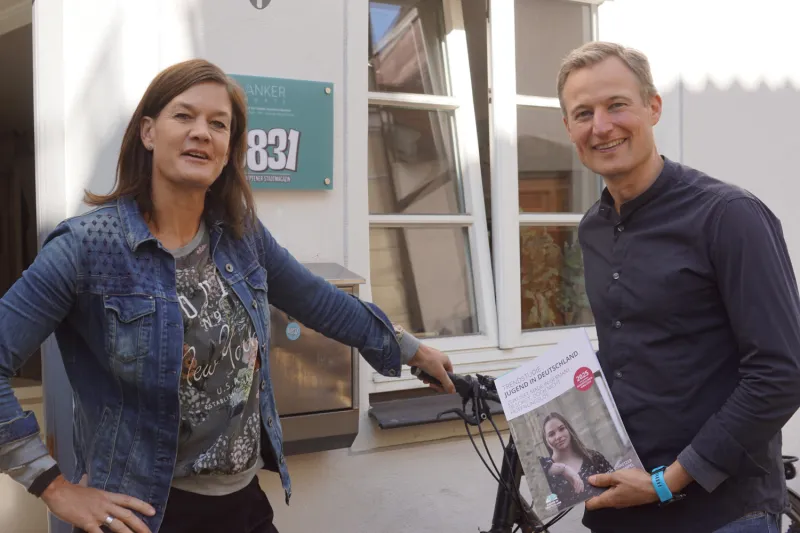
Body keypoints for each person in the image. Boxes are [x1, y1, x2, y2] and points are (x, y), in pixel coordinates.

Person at [0, 59, 456, 533]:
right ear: (148, 132)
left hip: (242, 503)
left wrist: (411, 349)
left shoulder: (241, 237)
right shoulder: (88, 247)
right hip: (143, 513)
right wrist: (54, 487)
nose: (202, 132)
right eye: (184, 115)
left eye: (218, 124)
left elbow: (320, 302)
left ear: (228, 151)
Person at [556, 40, 800, 533]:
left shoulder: (730, 216)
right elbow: (632, 353)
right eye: (583, 113)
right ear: (568, 128)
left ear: (653, 107)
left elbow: (782, 372)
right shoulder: (593, 228)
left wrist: (667, 482)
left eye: (616, 105)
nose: (601, 126)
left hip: (724, 514)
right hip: (624, 509)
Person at [538, 412, 613, 510]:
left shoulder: (593, 457)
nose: (558, 436)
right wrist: (564, 469)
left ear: (568, 429)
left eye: (561, 429)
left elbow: (615, 482)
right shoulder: (544, 469)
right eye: (551, 434)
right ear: (546, 440)